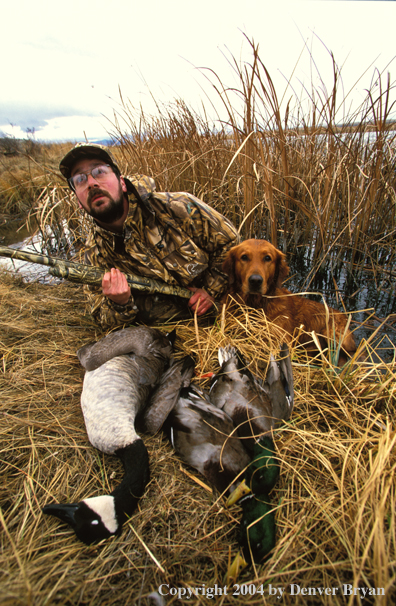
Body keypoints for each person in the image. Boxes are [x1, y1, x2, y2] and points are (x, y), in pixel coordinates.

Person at [59, 143, 239, 329]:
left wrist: (210, 290)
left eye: (99, 172)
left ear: (122, 183)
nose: (92, 183)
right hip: (169, 333)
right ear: (78, 202)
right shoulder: (94, 254)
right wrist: (120, 304)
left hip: (228, 308)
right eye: (80, 179)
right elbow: (102, 319)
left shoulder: (177, 207)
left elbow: (231, 243)